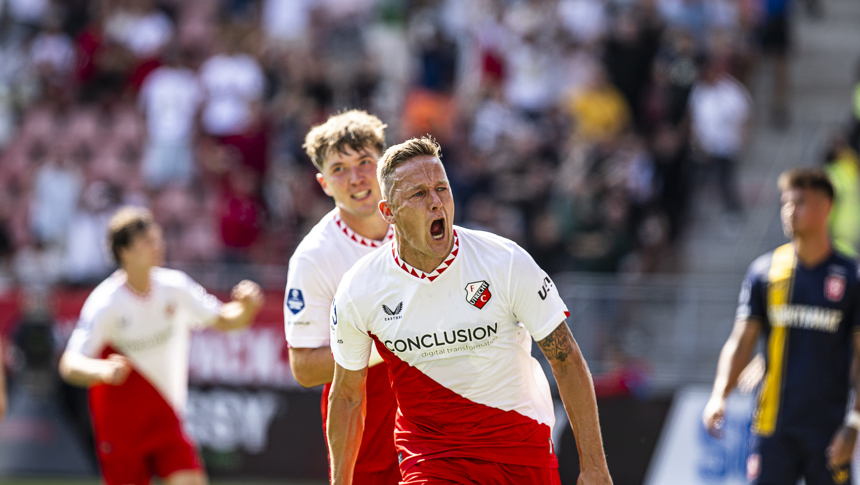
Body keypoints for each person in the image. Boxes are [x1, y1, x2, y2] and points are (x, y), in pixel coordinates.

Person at [327, 136, 612, 485]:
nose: (435, 203)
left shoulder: (505, 261)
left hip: (521, 452)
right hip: (432, 460)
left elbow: (566, 360)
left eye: (441, 189)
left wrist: (595, 467)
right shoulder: (360, 288)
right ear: (388, 212)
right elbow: (346, 396)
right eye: (418, 194)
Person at [59, 206, 264, 485]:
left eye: (158, 239)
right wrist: (102, 370)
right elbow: (69, 364)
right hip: (121, 426)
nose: (158, 247)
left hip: (166, 417)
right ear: (125, 252)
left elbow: (226, 320)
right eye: (147, 242)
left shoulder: (174, 286)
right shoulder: (106, 302)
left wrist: (248, 307)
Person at [703, 168, 860, 485]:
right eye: (785, 203)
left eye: (800, 202)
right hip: (772, 427)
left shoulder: (852, 276)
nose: (790, 211)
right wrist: (720, 394)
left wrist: (854, 422)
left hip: (829, 430)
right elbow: (742, 340)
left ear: (826, 206)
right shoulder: (764, 272)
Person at [284, 110, 400, 483]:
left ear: (384, 162)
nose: (356, 177)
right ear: (323, 183)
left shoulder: (422, 220)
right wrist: (390, 342)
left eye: (365, 161)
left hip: (438, 419)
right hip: (367, 430)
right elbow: (303, 367)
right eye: (339, 168)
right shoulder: (314, 256)